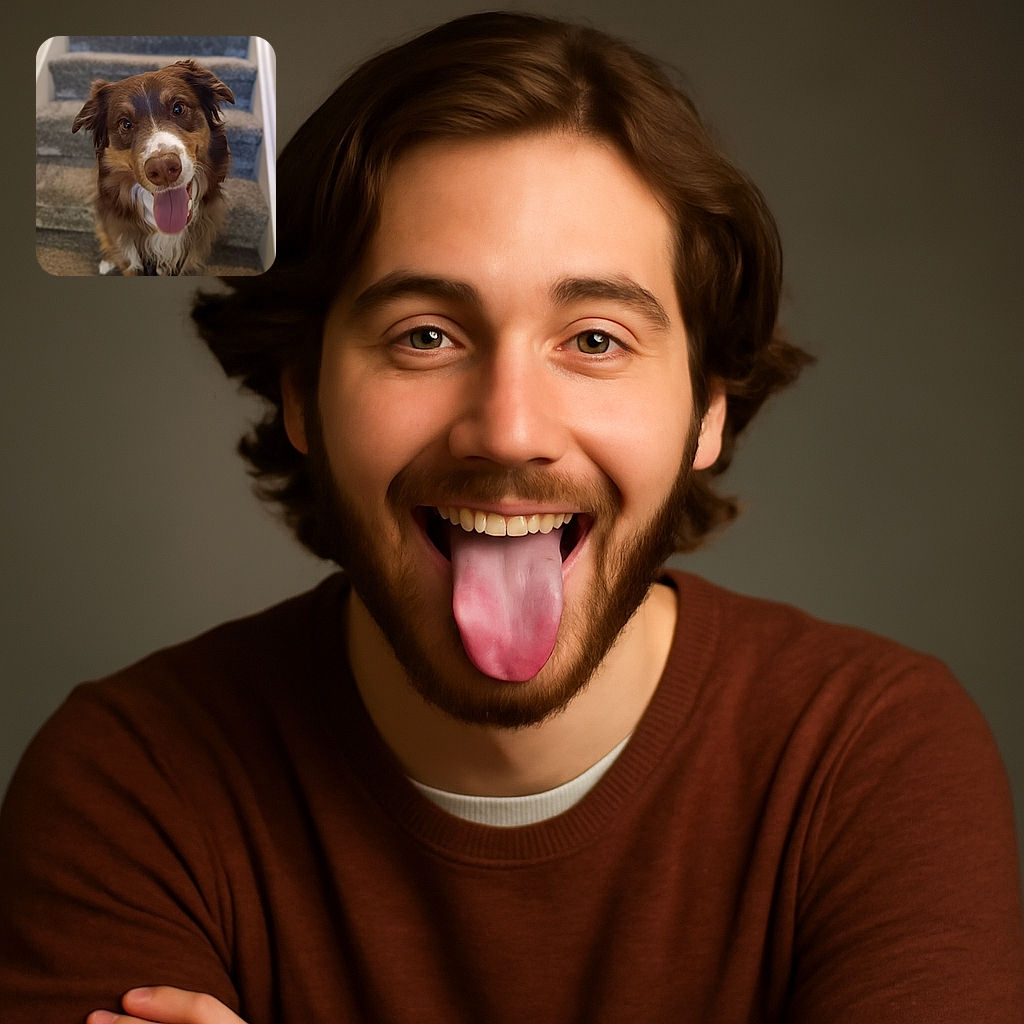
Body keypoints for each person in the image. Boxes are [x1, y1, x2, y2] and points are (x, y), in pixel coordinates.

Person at [2, 12, 1022, 1023]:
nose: (508, 430)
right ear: (303, 392)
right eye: (426, 334)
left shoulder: (869, 760)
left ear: (707, 407)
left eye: (593, 338)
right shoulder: (130, 781)